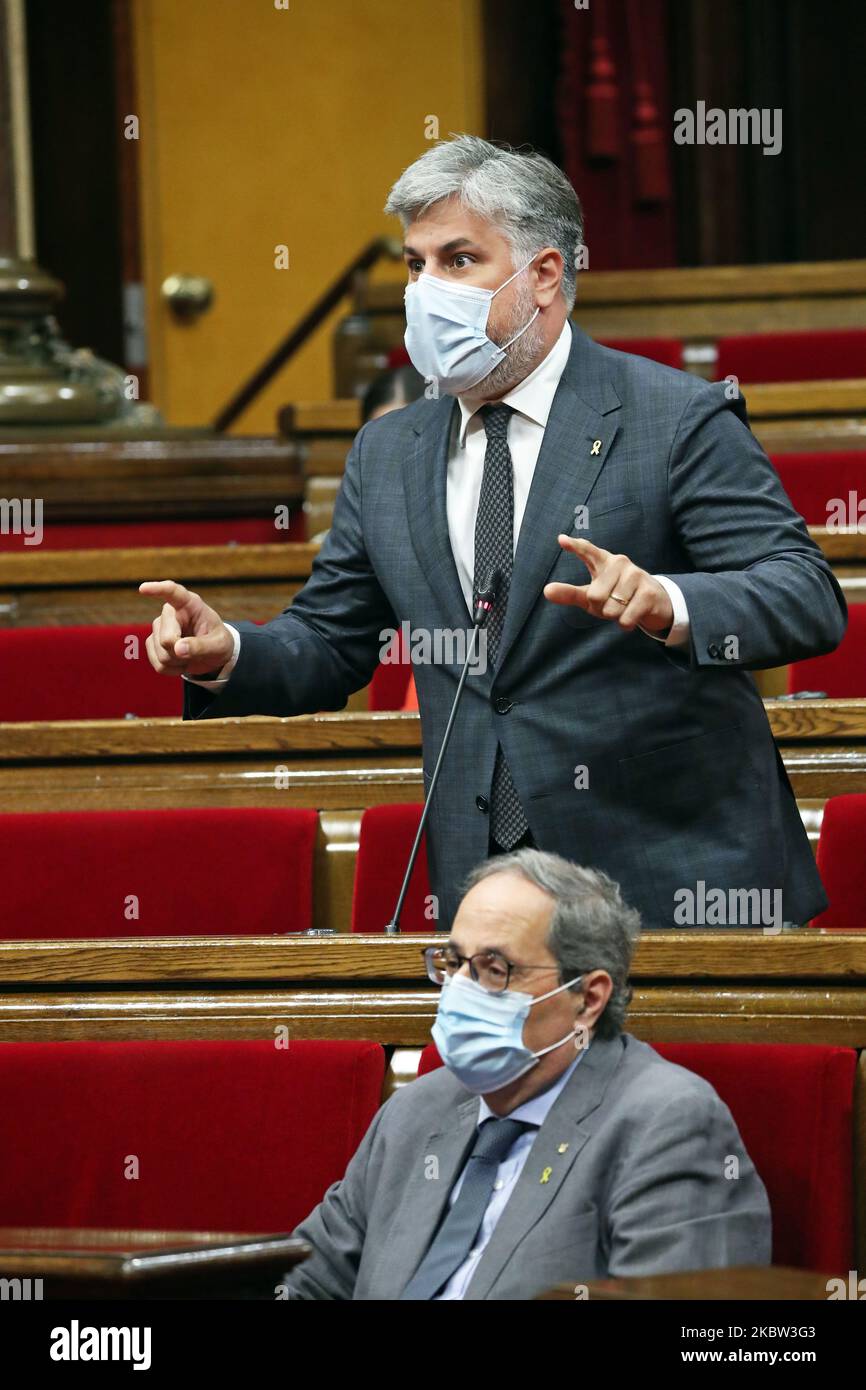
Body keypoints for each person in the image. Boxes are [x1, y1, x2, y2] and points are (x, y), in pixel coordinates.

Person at [140, 134, 846, 931]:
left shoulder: (674, 416)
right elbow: (331, 641)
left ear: (543, 274)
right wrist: (228, 653)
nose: (426, 290)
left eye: (458, 260)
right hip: (485, 897)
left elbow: (805, 594)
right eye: (414, 264)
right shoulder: (389, 450)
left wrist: (667, 602)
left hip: (678, 879)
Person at [276, 850, 771, 1300]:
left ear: (589, 998)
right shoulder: (415, 1111)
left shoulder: (666, 1123)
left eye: (495, 969)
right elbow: (303, 1283)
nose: (459, 990)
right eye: (453, 964)